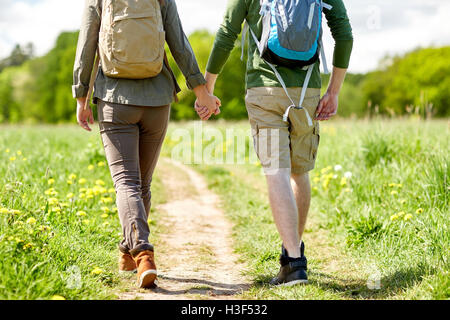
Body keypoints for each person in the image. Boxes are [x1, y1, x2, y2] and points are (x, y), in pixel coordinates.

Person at [196, 0, 353, 286]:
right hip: (307, 91)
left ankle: (293, 260)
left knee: (276, 170)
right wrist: (334, 91)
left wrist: (208, 86)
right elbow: (344, 34)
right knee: (299, 171)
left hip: (264, 90)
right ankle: (293, 253)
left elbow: (226, 33)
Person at [72, 0, 220, 289]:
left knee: (126, 184)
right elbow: (179, 41)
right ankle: (128, 252)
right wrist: (200, 91)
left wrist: (81, 96)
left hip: (114, 99)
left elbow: (86, 43)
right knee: (142, 185)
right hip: (157, 99)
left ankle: (142, 253)